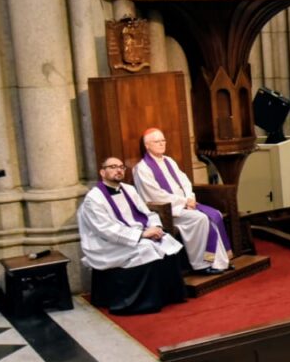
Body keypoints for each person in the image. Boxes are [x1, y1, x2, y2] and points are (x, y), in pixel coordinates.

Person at [78, 157, 186, 315]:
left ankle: (169, 296)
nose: (119, 170)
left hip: (136, 234)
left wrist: (155, 227)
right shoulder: (94, 199)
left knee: (166, 240)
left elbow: (148, 213)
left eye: (121, 167)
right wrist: (142, 235)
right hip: (109, 244)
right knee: (147, 248)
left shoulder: (129, 189)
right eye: (113, 167)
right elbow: (106, 230)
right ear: (102, 172)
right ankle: (144, 303)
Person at [134, 128, 231, 273]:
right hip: (168, 211)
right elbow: (155, 195)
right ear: (147, 145)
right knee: (201, 219)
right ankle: (201, 265)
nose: (161, 144)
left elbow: (185, 182)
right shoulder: (141, 168)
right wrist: (183, 202)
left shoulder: (169, 161)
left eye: (163, 140)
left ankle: (219, 261)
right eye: (157, 141)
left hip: (184, 205)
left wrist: (189, 198)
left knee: (214, 214)